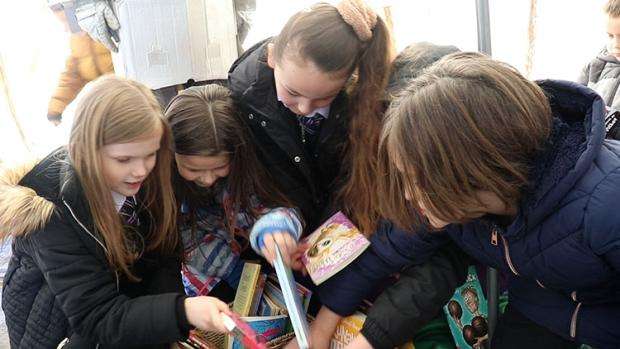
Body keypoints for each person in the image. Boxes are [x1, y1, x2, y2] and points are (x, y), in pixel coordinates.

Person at [379, 52, 620, 348]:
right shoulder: (470, 207)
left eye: (418, 179)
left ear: (473, 170)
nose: (407, 193)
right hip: (542, 311)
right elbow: (388, 247)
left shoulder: (607, 205)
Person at [0, 75, 230, 348]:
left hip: (122, 315)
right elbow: (96, 316)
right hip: (59, 330)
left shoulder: (146, 180)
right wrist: (181, 311)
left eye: (150, 154)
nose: (141, 169)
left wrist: (168, 326)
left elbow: (164, 256)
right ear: (84, 151)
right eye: (124, 159)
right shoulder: (51, 215)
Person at [164, 84, 304, 298]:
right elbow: (187, 243)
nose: (208, 179)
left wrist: (276, 228)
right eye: (193, 169)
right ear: (170, 155)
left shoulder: (248, 170)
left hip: (253, 257)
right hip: (204, 271)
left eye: (219, 167)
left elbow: (272, 203)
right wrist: (233, 271)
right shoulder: (164, 189)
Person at [47, 1, 114, 125]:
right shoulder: (77, 39)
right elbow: (74, 75)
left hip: (128, 90)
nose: (66, 29)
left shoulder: (107, 22)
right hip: (108, 97)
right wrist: (55, 107)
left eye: (68, 22)